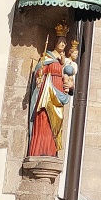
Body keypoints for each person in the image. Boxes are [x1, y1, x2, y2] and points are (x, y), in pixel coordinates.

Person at [28, 26, 71, 157]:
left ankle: (51, 151)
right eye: (60, 42)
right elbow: (38, 71)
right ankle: (40, 150)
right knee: (45, 118)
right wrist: (39, 76)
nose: (62, 44)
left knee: (56, 120)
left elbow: (69, 76)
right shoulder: (47, 56)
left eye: (64, 42)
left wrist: (69, 85)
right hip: (47, 90)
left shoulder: (63, 61)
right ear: (55, 43)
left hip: (58, 90)